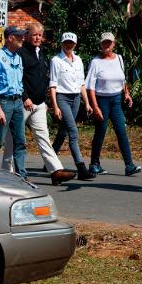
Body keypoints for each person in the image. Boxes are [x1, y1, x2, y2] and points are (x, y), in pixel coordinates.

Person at [2, 23, 76, 185]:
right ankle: (7, 172)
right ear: (27, 35)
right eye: (35, 35)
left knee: (44, 137)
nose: (38, 38)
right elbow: (17, 78)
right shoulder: (20, 52)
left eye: (40, 35)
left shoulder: (41, 51)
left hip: (39, 103)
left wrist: (45, 99)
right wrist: (24, 97)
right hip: (23, 103)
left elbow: (42, 76)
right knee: (13, 139)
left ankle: (55, 171)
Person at [85, 32, 141, 176]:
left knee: (121, 131)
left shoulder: (119, 59)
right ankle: (94, 164)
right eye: (104, 42)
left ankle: (129, 165)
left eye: (109, 43)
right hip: (101, 100)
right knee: (100, 132)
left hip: (116, 100)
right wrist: (95, 106)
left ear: (113, 44)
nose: (107, 45)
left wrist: (126, 93)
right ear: (101, 44)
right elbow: (90, 86)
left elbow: (122, 79)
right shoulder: (96, 62)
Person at [50, 32, 96, 180]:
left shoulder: (78, 60)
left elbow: (81, 83)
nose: (68, 45)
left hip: (76, 98)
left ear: (75, 44)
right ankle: (81, 168)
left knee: (63, 131)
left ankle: (50, 161)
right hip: (62, 98)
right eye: (66, 42)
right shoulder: (56, 60)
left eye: (71, 43)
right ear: (62, 43)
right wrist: (55, 106)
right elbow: (53, 85)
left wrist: (87, 102)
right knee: (73, 132)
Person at [0, 26, 27, 178]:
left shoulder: (18, 57)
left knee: (20, 141)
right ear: (10, 38)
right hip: (4, 102)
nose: (23, 38)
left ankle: (21, 175)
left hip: (17, 102)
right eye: (20, 36)